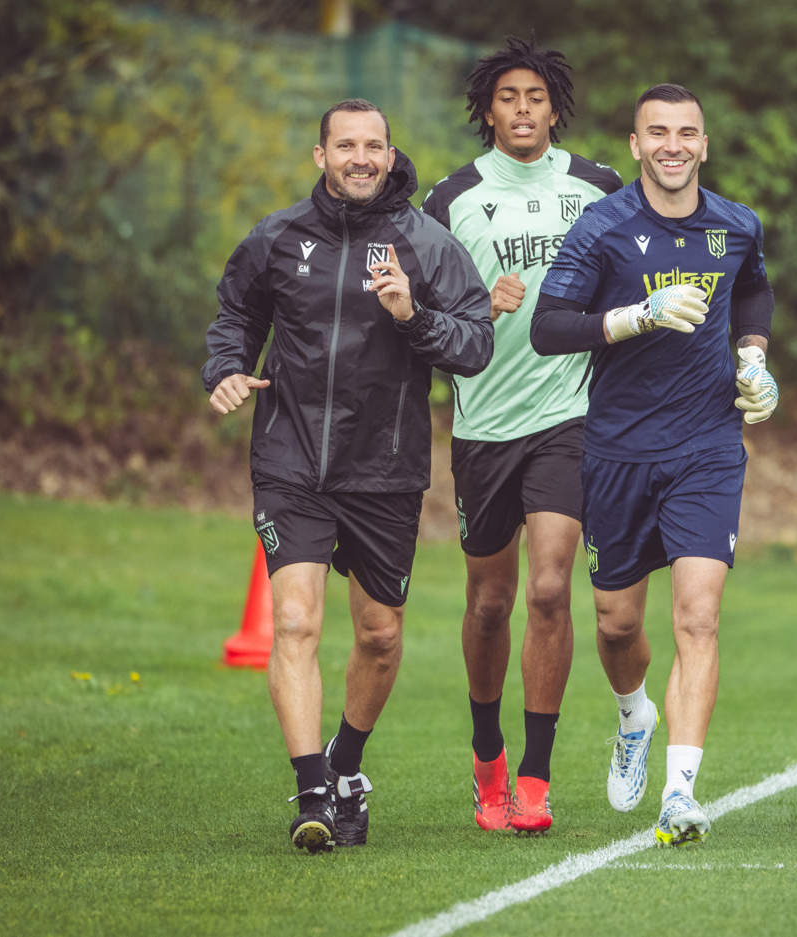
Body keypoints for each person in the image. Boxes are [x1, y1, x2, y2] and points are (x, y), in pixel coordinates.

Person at [203, 99, 493, 852]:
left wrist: (410, 314)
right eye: (345, 145)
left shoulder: (426, 244)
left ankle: (345, 767)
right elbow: (236, 315)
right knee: (295, 621)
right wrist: (226, 367)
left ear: (391, 156)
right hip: (290, 458)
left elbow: (474, 345)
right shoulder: (277, 237)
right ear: (320, 155)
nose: (360, 158)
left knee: (380, 634)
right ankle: (312, 794)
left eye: (373, 146)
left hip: (385, 468)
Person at [530, 84, 778, 846]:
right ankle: (633, 711)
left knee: (698, 615)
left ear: (704, 143)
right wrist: (635, 316)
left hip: (707, 446)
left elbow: (754, 293)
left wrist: (754, 360)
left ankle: (679, 793)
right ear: (636, 145)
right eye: (658, 132)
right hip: (617, 449)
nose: (674, 145)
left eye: (687, 132)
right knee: (616, 624)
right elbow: (547, 327)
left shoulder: (737, 224)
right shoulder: (602, 226)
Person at [422, 36, 621, 836]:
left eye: (536, 96)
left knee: (548, 589)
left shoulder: (599, 188)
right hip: (482, 427)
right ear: (487, 109)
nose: (523, 109)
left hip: (568, 418)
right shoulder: (451, 199)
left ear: (555, 106)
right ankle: (488, 758)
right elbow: (420, 320)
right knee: (488, 602)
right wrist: (482, 306)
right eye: (508, 96)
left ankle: (535, 777)